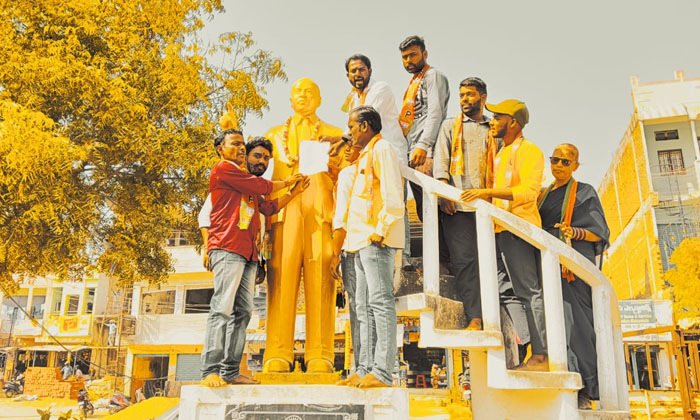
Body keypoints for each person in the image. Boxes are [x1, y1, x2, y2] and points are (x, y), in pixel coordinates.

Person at [201, 129, 309, 387]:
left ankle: (229, 371)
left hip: (249, 254)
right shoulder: (223, 170)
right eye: (235, 144)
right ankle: (209, 371)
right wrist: (287, 181)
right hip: (227, 248)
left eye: (241, 144)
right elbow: (263, 186)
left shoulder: (244, 181)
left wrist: (293, 192)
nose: (240, 148)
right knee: (222, 309)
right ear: (220, 148)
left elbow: (268, 207)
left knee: (243, 312)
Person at [263, 78, 345, 374]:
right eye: (298, 91)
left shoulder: (335, 134)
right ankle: (277, 351)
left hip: (320, 215)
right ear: (289, 98)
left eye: (310, 91)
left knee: (322, 279)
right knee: (281, 280)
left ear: (320, 99)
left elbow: (344, 175)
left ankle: (320, 353)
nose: (303, 96)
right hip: (284, 213)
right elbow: (257, 172)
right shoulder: (273, 136)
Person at [460, 99, 547, 371]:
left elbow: (530, 192)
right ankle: (527, 348)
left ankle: (542, 356)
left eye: (498, 117)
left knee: (528, 291)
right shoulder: (501, 153)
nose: (492, 121)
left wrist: (487, 193)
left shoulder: (530, 150)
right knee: (504, 292)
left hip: (518, 227)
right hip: (500, 229)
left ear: (513, 122)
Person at [538, 143, 609, 408]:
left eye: (565, 162)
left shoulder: (584, 192)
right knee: (553, 323)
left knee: (577, 325)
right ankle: (562, 378)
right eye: (554, 159)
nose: (558, 165)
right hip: (547, 266)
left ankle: (586, 388)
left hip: (574, 267)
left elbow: (599, 232)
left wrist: (573, 232)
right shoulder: (543, 194)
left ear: (576, 166)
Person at [337, 106, 404, 388]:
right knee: (362, 306)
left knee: (380, 303)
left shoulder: (383, 149)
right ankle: (364, 368)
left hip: (376, 237)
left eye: (352, 127)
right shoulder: (364, 155)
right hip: (359, 240)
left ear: (365, 126)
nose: (350, 132)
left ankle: (383, 372)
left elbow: (392, 193)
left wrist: (381, 228)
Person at [329, 54, 413, 271]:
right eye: (353, 71)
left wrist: (337, 140)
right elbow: (354, 129)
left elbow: (365, 120)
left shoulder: (380, 89)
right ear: (347, 75)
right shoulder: (354, 98)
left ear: (370, 70)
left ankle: (404, 257)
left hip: (389, 150)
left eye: (361, 69)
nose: (358, 74)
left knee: (395, 199)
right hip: (367, 156)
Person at [199, 137, 276, 271]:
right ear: (245, 157)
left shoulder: (261, 190)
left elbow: (265, 227)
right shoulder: (231, 182)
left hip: (251, 259)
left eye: (266, 158)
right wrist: (207, 248)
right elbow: (204, 217)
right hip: (229, 253)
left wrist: (261, 264)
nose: (261, 162)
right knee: (227, 292)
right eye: (256, 156)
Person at [398, 35, 449, 221]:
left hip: (426, 152)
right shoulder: (414, 81)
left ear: (424, 54)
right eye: (405, 57)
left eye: (413, 55)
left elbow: (435, 111)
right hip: (413, 152)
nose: (409, 60)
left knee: (432, 208)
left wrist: (424, 145)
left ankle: (440, 251)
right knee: (423, 209)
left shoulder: (432, 76)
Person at [330, 141, 364, 374]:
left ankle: (362, 368)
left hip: (353, 246)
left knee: (361, 308)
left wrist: (334, 255)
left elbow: (341, 220)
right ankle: (364, 367)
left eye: (351, 145)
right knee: (364, 308)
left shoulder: (348, 174)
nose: (346, 150)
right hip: (365, 244)